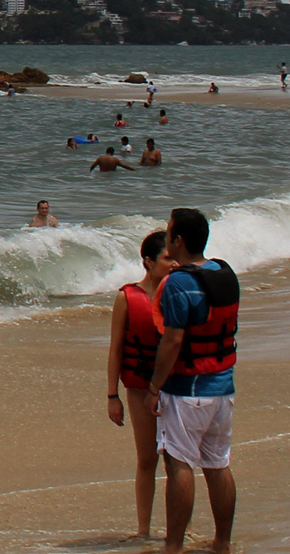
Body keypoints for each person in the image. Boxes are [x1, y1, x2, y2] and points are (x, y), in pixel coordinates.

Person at [147, 208, 239, 554]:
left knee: (178, 463)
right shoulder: (223, 272)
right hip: (222, 387)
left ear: (178, 240)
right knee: (218, 464)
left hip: (187, 392)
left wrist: (154, 388)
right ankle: (222, 543)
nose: (167, 237)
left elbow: (171, 342)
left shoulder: (179, 283)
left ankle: (173, 547)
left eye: (169, 232)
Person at [108, 230, 175, 539]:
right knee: (147, 459)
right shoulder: (127, 297)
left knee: (177, 461)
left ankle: (177, 529)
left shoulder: (178, 293)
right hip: (137, 389)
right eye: (167, 258)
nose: (173, 264)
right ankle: (144, 530)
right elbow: (116, 349)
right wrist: (112, 396)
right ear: (148, 261)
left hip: (175, 389)